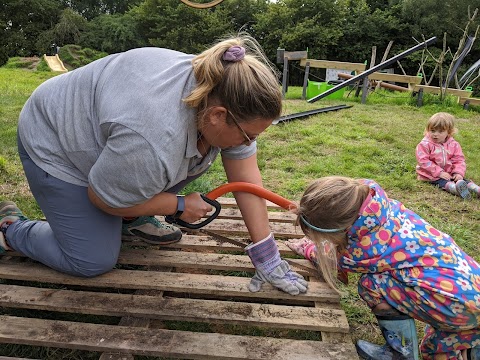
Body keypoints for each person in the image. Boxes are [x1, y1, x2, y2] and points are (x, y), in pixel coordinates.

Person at [0, 34, 307, 296]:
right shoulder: (153, 137)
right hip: (55, 141)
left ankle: (130, 215)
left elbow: (247, 181)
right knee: (91, 260)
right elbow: (102, 198)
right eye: (246, 136)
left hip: (118, 144)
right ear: (218, 115)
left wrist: (267, 255)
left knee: (177, 162)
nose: (247, 143)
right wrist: (177, 204)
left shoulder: (221, 86)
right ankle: (11, 229)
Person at [286, 176, 480, 360]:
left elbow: (331, 261)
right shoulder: (384, 208)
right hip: (471, 286)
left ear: (343, 230)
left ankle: (400, 353)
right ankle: (471, 348)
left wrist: (308, 248)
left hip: (456, 304)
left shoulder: (363, 250)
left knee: (371, 285)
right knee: (443, 343)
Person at [415, 112, 479, 200]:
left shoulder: (454, 145)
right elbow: (423, 161)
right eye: (432, 130)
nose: (435, 134)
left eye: (440, 131)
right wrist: (439, 172)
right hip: (431, 175)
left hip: (449, 173)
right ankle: (457, 190)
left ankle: (476, 189)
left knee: (461, 180)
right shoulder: (424, 145)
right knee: (443, 183)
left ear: (449, 132)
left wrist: (458, 173)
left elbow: (459, 160)